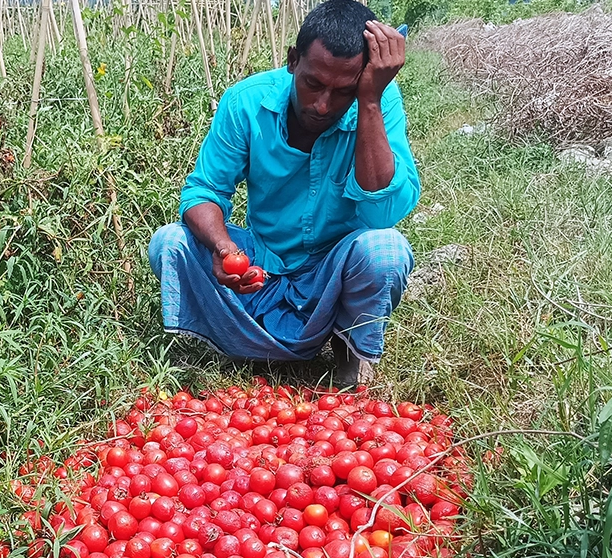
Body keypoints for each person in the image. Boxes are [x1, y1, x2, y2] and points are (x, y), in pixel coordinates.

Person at [147, 0, 420, 388]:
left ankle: (349, 350)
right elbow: (205, 191)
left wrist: (370, 101)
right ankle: (215, 343)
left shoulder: (377, 102)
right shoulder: (245, 102)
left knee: (385, 250)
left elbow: (382, 215)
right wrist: (225, 249)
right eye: (313, 83)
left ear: (362, 80)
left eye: (343, 90)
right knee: (171, 242)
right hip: (262, 263)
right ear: (293, 60)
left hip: (330, 275)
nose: (323, 104)